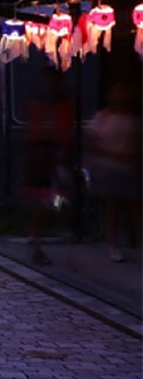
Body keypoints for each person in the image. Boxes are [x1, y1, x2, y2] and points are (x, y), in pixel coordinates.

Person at [86, 83, 142, 263]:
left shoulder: (132, 119)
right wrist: (115, 154)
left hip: (129, 168)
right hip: (108, 168)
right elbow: (93, 143)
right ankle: (112, 244)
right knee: (112, 207)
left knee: (136, 209)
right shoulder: (102, 118)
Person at [23, 69, 73, 265]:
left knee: (60, 200)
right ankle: (37, 243)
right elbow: (32, 130)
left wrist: (61, 152)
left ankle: (61, 228)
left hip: (56, 157)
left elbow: (66, 131)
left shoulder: (63, 104)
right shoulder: (37, 104)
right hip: (38, 158)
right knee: (37, 204)